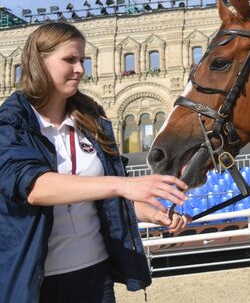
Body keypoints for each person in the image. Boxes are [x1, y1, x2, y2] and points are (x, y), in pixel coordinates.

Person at [0, 22, 190, 302]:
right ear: (38, 62)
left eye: (82, 60)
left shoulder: (92, 120)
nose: (80, 69)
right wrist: (123, 186)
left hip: (95, 276)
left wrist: (154, 212)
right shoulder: (11, 123)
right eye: (69, 60)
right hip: (36, 282)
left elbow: (109, 197)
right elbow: (34, 188)